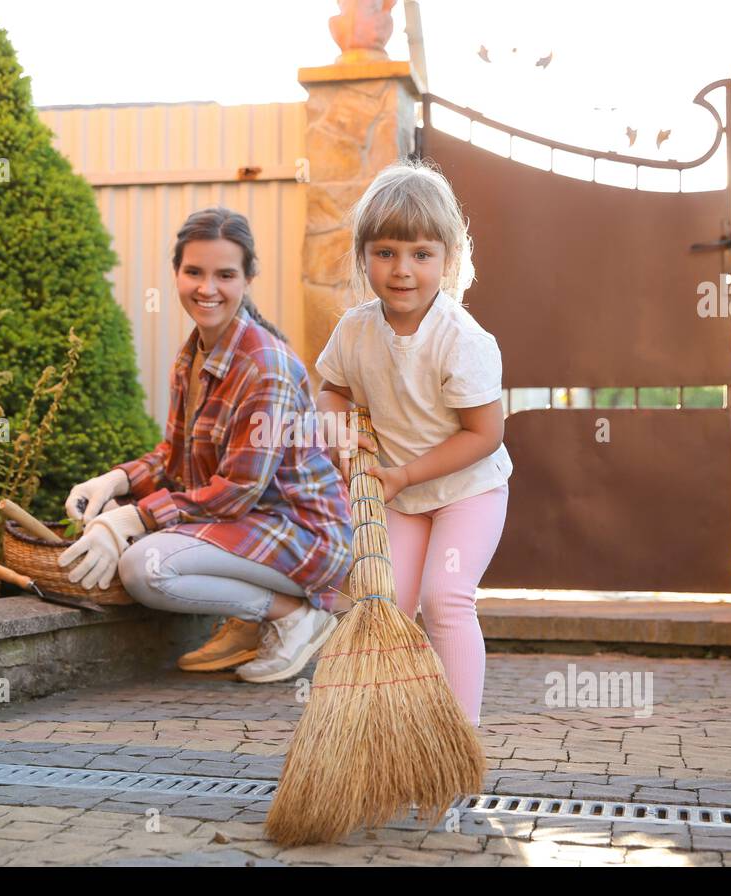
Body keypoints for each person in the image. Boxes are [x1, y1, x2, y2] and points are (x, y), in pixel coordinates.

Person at [60, 207, 352, 683]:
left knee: (144, 566)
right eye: (193, 271)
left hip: (302, 533)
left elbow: (236, 492)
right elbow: (173, 457)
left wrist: (132, 518)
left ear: (248, 277)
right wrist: (114, 480)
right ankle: (252, 619)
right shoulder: (193, 354)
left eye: (225, 274)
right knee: (144, 540)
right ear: (176, 272)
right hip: (249, 523)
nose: (207, 288)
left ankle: (292, 616)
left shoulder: (266, 368)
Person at [315, 159, 512, 726]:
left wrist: (401, 475)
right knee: (386, 605)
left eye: (421, 255)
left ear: (448, 260)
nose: (402, 270)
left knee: (444, 598)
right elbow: (331, 390)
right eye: (386, 253)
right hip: (400, 495)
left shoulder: (462, 340)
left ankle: (460, 740)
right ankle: (395, 735)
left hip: (465, 491)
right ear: (364, 257)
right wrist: (340, 432)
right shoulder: (355, 330)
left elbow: (484, 434)